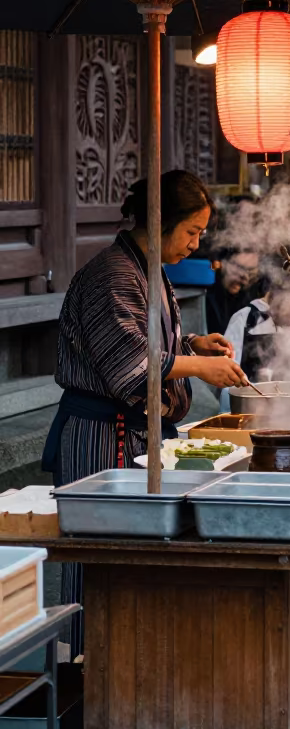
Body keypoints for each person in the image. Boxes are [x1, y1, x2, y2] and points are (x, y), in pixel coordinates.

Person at [43, 170, 246, 655]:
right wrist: (202, 366)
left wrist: (192, 342)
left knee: (138, 558)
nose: (196, 244)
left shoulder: (147, 267)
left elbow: (150, 340)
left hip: (133, 435)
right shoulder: (111, 274)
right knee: (101, 562)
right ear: (160, 223)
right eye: (192, 232)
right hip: (101, 437)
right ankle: (87, 673)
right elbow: (130, 367)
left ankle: (133, 662)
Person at [205, 248, 267, 336]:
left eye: (250, 271)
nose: (244, 276)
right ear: (223, 263)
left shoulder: (252, 303)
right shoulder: (204, 297)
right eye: (238, 267)